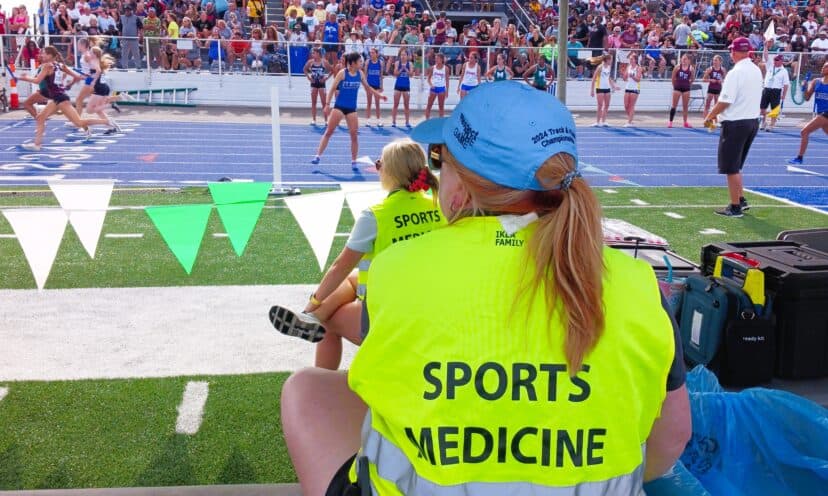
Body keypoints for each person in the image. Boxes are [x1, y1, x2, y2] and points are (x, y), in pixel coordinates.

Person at [281, 81, 692, 496]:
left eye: (441, 161)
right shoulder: (640, 286)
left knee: (308, 388)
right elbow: (670, 441)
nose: (436, 173)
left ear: (461, 188)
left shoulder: (397, 270)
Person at [271, 138, 443, 370]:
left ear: (389, 170)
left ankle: (319, 366)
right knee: (353, 278)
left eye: (379, 162)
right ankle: (311, 318)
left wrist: (314, 301)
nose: (377, 167)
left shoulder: (375, 215)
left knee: (329, 322)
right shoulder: (439, 206)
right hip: (432, 308)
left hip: (389, 317)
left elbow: (339, 266)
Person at [704, 37, 763, 218]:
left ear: (735, 52)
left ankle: (735, 206)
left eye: (731, 51)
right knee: (736, 166)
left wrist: (710, 115)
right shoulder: (756, 70)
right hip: (752, 121)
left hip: (736, 122)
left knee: (730, 167)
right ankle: (741, 199)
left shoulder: (735, 72)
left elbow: (725, 100)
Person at [16, 47, 112, 151]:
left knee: (78, 122)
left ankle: (105, 121)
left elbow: (37, 81)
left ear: (49, 55)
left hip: (60, 98)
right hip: (57, 97)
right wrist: (83, 77)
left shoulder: (47, 66)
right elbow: (77, 76)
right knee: (40, 118)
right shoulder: (60, 65)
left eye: (43, 53)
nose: (41, 55)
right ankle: (37, 145)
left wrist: (24, 78)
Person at [311, 52, 387, 169]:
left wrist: (379, 96)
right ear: (352, 63)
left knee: (354, 135)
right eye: (359, 61)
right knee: (329, 132)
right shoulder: (343, 73)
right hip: (339, 107)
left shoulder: (360, 74)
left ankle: (353, 160)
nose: (361, 63)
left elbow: (368, 88)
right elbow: (331, 89)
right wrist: (327, 104)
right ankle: (318, 156)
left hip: (352, 109)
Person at [788, 62, 828, 165]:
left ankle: (799, 158)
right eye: (823, 66)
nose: (823, 68)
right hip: (820, 112)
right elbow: (806, 98)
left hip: (826, 113)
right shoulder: (816, 82)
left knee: (804, 132)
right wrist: (804, 88)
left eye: (826, 67)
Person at [759, 49, 790, 132]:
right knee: (762, 108)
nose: (775, 61)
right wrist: (765, 46)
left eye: (776, 60)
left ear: (781, 61)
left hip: (776, 91)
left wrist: (784, 95)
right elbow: (766, 56)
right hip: (766, 89)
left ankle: (772, 124)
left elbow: (786, 84)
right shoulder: (770, 66)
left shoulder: (784, 71)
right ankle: (763, 122)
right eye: (774, 60)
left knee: (774, 109)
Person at [303, 47, 332, 126]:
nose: (312, 54)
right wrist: (308, 77)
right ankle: (314, 120)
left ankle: (326, 120)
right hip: (313, 83)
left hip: (321, 84)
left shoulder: (324, 62)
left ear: (318, 54)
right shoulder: (310, 62)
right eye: (312, 53)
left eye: (314, 53)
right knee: (314, 102)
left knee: (324, 103)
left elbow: (332, 70)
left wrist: (326, 78)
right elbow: (304, 69)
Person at [590, 53, 618, 127]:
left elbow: (608, 78)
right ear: (607, 60)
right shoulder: (600, 67)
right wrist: (592, 90)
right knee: (600, 105)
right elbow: (594, 79)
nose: (611, 61)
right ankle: (597, 121)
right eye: (610, 59)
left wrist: (614, 86)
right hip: (600, 88)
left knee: (607, 105)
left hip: (607, 88)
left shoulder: (608, 67)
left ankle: (603, 121)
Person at [669, 54, 694, 128]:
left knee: (685, 106)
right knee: (674, 106)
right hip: (677, 88)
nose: (683, 60)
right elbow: (673, 78)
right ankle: (670, 122)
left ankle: (685, 122)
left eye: (685, 59)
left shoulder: (691, 68)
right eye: (683, 59)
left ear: (689, 60)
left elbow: (692, 79)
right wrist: (675, 86)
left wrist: (688, 83)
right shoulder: (677, 67)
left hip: (686, 89)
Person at [390, 49, 412, 128]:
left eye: (404, 55)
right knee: (395, 104)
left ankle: (407, 122)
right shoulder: (397, 63)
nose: (402, 56)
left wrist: (405, 69)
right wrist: (401, 69)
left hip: (406, 87)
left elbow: (411, 74)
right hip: (398, 86)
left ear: (407, 56)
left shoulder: (410, 64)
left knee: (406, 105)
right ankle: (393, 121)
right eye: (401, 55)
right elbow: (395, 74)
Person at [424, 52, 449, 119]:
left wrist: (447, 91)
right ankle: (427, 121)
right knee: (429, 106)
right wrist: (431, 85)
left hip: (441, 89)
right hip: (433, 88)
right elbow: (428, 79)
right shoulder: (432, 68)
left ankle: (440, 122)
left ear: (442, 59)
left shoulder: (446, 68)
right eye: (436, 58)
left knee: (441, 107)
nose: (436, 60)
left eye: (438, 58)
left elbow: (447, 81)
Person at [364, 46, 384, 127]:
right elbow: (365, 75)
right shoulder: (368, 62)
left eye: (373, 53)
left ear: (377, 54)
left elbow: (381, 75)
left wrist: (381, 86)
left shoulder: (380, 62)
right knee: (369, 103)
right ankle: (368, 120)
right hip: (369, 85)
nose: (371, 54)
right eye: (370, 53)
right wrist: (366, 85)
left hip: (377, 86)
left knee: (377, 103)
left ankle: (378, 120)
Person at [622, 52, 642, 127]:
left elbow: (638, 79)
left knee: (631, 105)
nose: (630, 60)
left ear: (635, 60)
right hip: (628, 87)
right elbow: (624, 79)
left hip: (635, 88)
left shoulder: (638, 68)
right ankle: (630, 119)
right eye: (630, 59)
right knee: (626, 105)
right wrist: (623, 74)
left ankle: (629, 122)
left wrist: (632, 76)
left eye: (631, 59)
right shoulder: (628, 67)